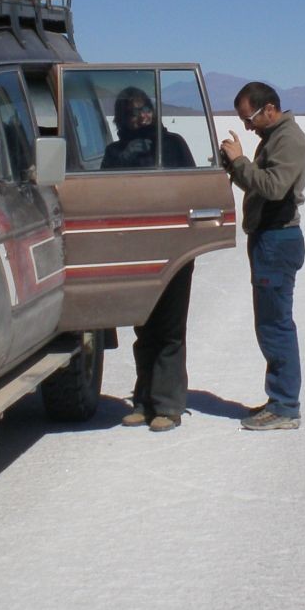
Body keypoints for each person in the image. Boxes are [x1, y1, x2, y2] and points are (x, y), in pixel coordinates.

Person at [102, 87, 195, 432]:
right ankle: (144, 400)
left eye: (144, 110)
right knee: (144, 326)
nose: (140, 116)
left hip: (173, 246)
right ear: (121, 118)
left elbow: (192, 188)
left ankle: (168, 406)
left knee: (170, 327)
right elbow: (106, 195)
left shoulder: (173, 145)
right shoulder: (115, 151)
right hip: (135, 249)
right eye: (132, 112)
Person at [219, 82, 305, 430]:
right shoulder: (274, 139)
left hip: (278, 240)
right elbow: (260, 185)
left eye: (250, 118)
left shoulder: (290, 140)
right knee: (270, 322)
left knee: (275, 325)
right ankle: (280, 399)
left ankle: (285, 406)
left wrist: (241, 160)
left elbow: (273, 187)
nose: (248, 126)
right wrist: (236, 166)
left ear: (269, 108)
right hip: (269, 239)